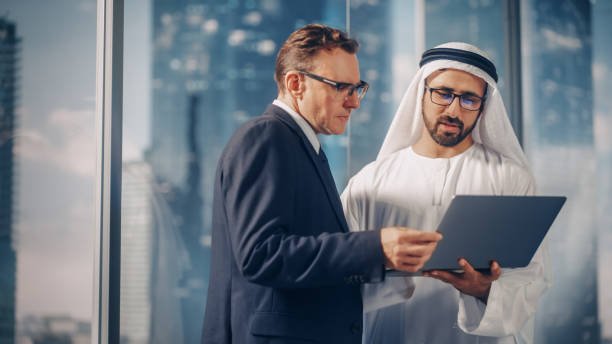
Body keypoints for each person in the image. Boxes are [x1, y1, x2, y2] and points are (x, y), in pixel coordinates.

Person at [201, 24, 442, 344]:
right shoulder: (265, 137)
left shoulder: (302, 146)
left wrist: (396, 260)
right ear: (295, 83)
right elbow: (261, 255)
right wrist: (374, 247)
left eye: (358, 88)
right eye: (341, 87)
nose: (354, 102)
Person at [341, 42, 551, 344]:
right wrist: (385, 261)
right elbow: (338, 270)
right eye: (443, 93)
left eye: (469, 100)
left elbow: (534, 277)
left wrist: (482, 289)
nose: (453, 110)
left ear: (483, 107)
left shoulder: (511, 179)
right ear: (421, 93)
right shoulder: (370, 181)